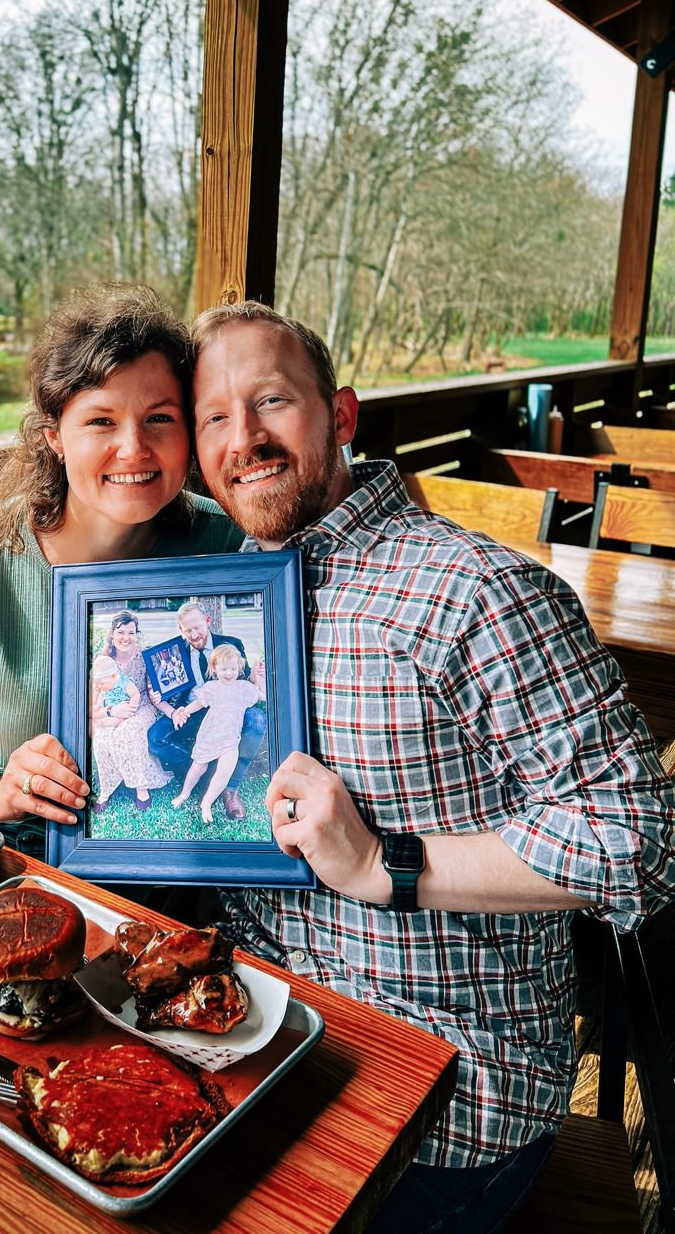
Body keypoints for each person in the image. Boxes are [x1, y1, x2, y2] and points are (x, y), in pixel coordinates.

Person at [189, 299, 675, 1234]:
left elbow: (639, 839)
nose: (242, 438)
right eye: (213, 416)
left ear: (342, 415)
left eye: (272, 403)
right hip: (258, 1040)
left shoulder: (478, 590)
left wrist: (386, 866)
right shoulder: (222, 595)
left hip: (447, 1094)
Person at [0, 285, 241, 853]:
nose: (134, 448)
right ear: (54, 437)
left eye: (160, 418)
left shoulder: (228, 542)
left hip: (176, 867)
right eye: (101, 421)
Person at [146, 598, 268, 819]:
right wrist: (162, 699)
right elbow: (166, 685)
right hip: (192, 708)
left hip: (227, 708)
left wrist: (257, 675)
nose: (194, 634)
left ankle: (231, 787)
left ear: (208, 621)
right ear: (180, 629)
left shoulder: (231, 644)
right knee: (156, 737)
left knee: (257, 720)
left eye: (197, 627)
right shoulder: (175, 652)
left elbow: (246, 679)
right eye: (188, 630)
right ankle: (204, 775)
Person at [170, 643, 266, 825]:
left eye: (233, 668)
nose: (229, 673)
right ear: (214, 669)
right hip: (209, 737)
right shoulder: (211, 688)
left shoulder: (244, 688)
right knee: (197, 768)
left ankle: (207, 801)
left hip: (231, 741)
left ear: (239, 668)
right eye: (223, 669)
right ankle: (185, 793)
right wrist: (184, 712)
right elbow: (198, 704)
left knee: (224, 773)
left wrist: (258, 676)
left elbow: (263, 695)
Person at [90, 611, 173, 813]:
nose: (126, 638)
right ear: (112, 634)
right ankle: (106, 789)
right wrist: (112, 712)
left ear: (137, 634)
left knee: (129, 732)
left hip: (141, 706)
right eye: (121, 632)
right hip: (110, 709)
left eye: (131, 632)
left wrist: (169, 709)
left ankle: (141, 788)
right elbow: (92, 707)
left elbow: (153, 692)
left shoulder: (144, 657)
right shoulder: (102, 661)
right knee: (101, 736)